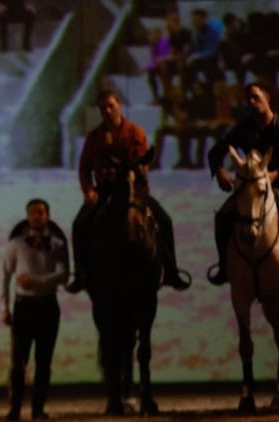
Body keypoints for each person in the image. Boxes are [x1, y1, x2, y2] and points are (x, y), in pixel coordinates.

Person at [69, 89, 190, 293]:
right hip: (104, 189)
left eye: (111, 106)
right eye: (103, 108)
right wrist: (88, 190)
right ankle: (81, 273)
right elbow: (84, 167)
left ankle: (171, 271)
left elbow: (141, 162)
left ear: (119, 107)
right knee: (80, 224)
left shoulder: (135, 132)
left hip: (132, 188)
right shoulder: (94, 137)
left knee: (165, 220)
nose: (107, 111)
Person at [205, 82, 279, 285]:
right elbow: (216, 152)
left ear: (267, 98)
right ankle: (224, 268)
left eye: (256, 97)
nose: (252, 102)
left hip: (278, 187)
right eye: (248, 100)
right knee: (223, 217)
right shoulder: (244, 129)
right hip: (251, 191)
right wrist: (220, 172)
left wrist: (275, 175)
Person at [2, 198, 67, 422]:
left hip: (48, 305)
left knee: (44, 360)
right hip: (24, 306)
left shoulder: (58, 244)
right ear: (27, 216)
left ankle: (38, 407)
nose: (37, 216)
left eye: (41, 212)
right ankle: (15, 407)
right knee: (19, 360)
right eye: (32, 213)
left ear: (48, 215)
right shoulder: (17, 244)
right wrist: (4, 307)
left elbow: (63, 275)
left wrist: (36, 281)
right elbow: (5, 276)